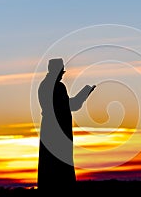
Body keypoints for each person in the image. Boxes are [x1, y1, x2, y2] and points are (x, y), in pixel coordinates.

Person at [37, 58, 95, 193]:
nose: (62, 75)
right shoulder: (57, 87)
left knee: (49, 164)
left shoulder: (44, 85)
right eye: (61, 72)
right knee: (60, 165)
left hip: (50, 129)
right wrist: (85, 93)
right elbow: (72, 106)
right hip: (58, 130)